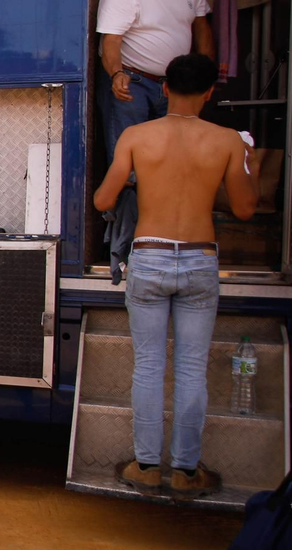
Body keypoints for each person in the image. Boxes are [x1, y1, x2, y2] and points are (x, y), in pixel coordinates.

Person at [94, 53, 258, 497]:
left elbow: (103, 200)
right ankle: (186, 471)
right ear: (209, 93)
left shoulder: (136, 135)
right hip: (201, 257)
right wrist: (248, 162)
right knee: (191, 370)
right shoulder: (228, 141)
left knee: (148, 366)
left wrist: (137, 179)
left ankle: (146, 465)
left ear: (164, 89)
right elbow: (245, 208)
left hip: (149, 256)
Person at [97, 0, 214, 161]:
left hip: (176, 83)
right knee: (128, 159)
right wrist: (117, 74)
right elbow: (111, 40)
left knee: (170, 156)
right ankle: (127, 198)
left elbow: (201, 26)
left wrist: (206, 75)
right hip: (133, 80)